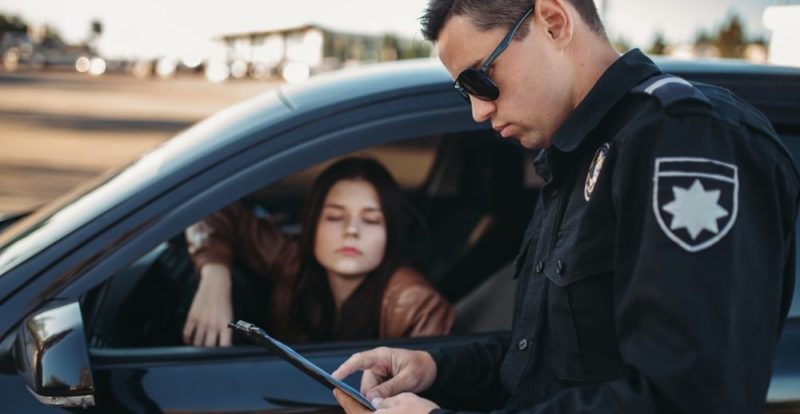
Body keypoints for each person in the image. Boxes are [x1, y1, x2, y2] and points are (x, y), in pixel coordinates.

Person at [331, 0, 800, 413]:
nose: (478, 110)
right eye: (465, 91)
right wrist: (434, 368)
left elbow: (682, 399)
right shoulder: (573, 158)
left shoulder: (684, 140)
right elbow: (542, 364)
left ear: (554, 22)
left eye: (480, 79)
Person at [183, 157, 455, 347]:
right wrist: (215, 274)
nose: (351, 230)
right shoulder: (293, 260)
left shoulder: (417, 304)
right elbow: (206, 208)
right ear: (312, 226)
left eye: (371, 220)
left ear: (390, 234)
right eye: (335, 217)